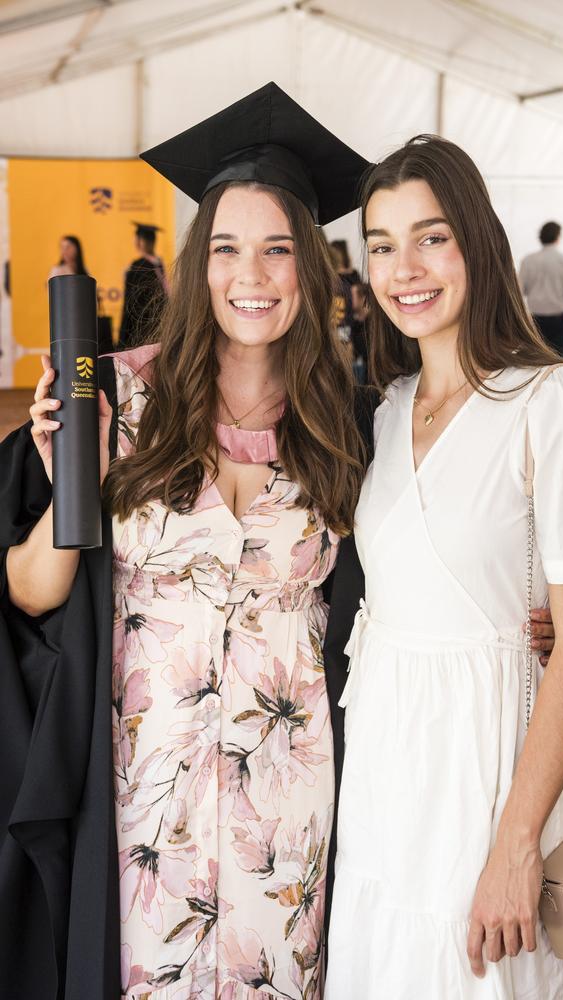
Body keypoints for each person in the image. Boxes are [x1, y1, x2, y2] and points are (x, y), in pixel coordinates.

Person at [0, 82, 370, 1000]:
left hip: (293, 791)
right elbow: (33, 591)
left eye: (279, 250)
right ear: (197, 265)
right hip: (143, 779)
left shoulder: (350, 424)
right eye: (229, 248)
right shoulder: (112, 397)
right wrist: (69, 469)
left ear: (310, 270)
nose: (253, 275)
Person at [324, 135, 563, 998]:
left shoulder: (557, 404)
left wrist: (516, 844)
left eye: (431, 237)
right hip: (389, 770)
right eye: (382, 245)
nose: (404, 268)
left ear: (478, 242)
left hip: (495, 767)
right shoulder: (384, 414)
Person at [519, 221, 563, 357]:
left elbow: (520, 290)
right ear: (558, 236)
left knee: (535, 360)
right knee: (559, 361)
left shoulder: (528, 260)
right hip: (559, 319)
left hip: (535, 319)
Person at [118, 222, 169, 349]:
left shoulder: (138, 265)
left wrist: (123, 335)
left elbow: (130, 301)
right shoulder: (158, 264)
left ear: (140, 242)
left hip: (139, 326)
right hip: (158, 323)